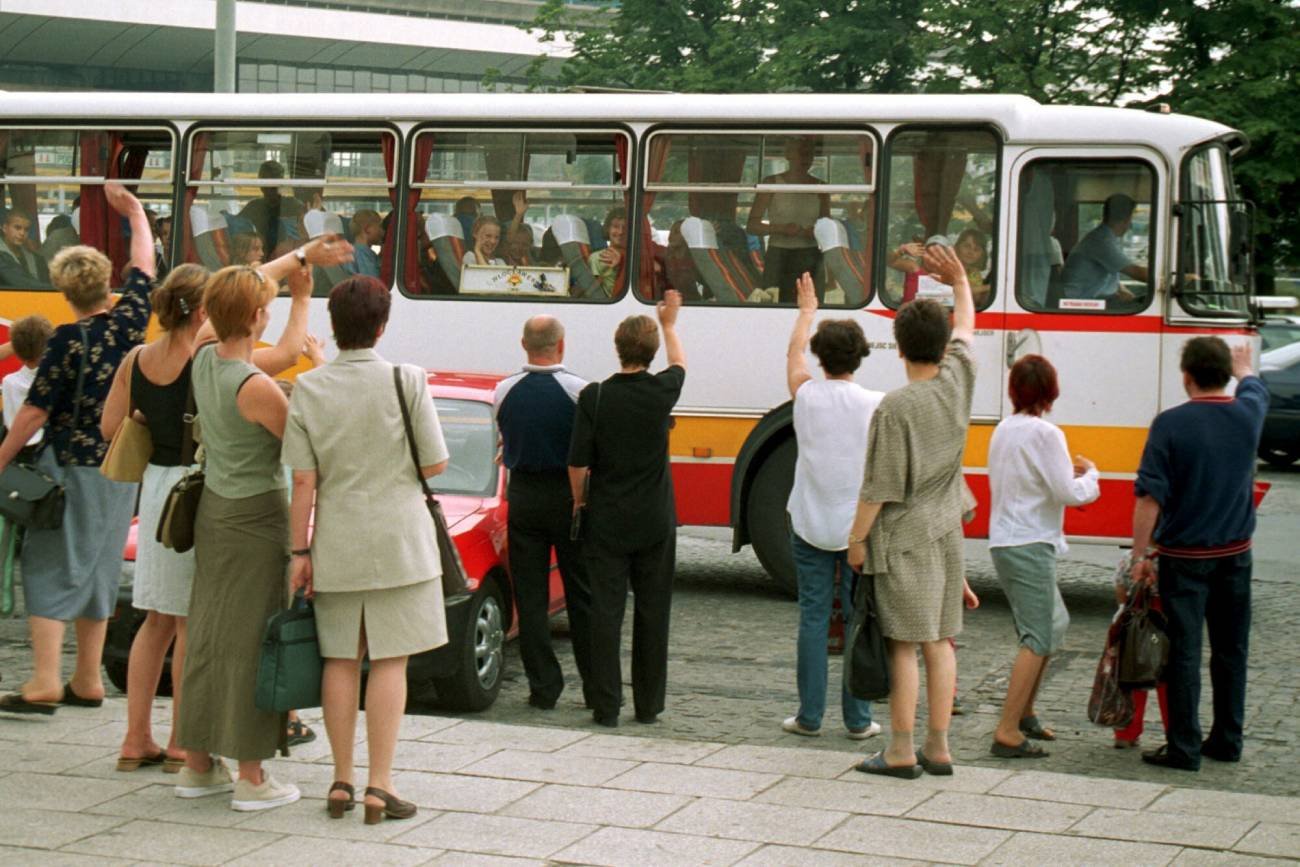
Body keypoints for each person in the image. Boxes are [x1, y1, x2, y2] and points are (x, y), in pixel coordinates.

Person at [284, 276, 448, 823]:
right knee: (390, 662)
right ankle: (380, 785)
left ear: (334, 326)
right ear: (382, 326)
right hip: (399, 540)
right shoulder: (408, 380)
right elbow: (434, 464)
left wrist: (298, 552)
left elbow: (302, 482)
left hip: (337, 540)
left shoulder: (308, 389)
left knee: (339, 658)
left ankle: (340, 780)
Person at [0, 183, 152, 716]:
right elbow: (145, 268)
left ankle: (44, 679)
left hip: (69, 466)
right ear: (107, 284)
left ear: (65, 290)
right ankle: (87, 678)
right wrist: (133, 212)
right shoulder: (131, 323)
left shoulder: (66, 341)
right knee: (98, 567)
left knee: (49, 566)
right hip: (120, 471)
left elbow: (34, 413)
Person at [173, 265, 312, 810]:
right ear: (257, 317)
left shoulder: (204, 359)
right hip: (256, 518)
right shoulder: (255, 387)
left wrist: (287, 279)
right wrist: (303, 297)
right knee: (256, 640)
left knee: (209, 633)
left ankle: (198, 762)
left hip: (214, 513)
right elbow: (303, 449)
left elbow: (230, 320)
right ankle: (252, 776)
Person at [846, 242, 976, 779]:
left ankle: (900, 749)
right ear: (943, 346)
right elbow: (967, 326)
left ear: (897, 346)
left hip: (903, 539)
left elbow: (878, 488)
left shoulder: (894, 407)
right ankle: (939, 746)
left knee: (902, 644)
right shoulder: (958, 381)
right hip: (947, 530)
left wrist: (856, 541)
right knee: (940, 642)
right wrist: (961, 281)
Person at [1130, 337, 1267, 771]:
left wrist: (1139, 556)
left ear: (1185, 376)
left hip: (1183, 557)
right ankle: (1227, 739)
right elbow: (1253, 386)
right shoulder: (1248, 415)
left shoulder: (1170, 424)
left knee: (1184, 652)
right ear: (1225, 374)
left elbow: (1150, 498)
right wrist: (1244, 368)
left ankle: (1184, 747)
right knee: (1231, 650)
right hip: (1236, 554)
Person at [569, 290, 686, 727]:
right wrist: (670, 324)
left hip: (607, 520)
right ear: (651, 352)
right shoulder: (661, 391)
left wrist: (581, 499)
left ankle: (605, 704)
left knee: (605, 612)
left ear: (618, 349)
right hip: (655, 518)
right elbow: (680, 366)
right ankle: (648, 705)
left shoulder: (594, 397)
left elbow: (577, 463)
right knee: (653, 613)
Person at [781, 272, 882, 741]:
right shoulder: (877, 405)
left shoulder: (805, 395)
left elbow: (792, 355)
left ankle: (809, 716)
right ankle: (858, 719)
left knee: (813, 618)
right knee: (859, 618)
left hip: (809, 525)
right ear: (859, 357)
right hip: (857, 533)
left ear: (821, 358)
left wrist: (807, 312)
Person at [987, 355, 1099, 759]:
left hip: (1008, 540)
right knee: (1038, 636)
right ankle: (1006, 730)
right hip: (1029, 542)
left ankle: (1026, 713)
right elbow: (1068, 493)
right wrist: (1091, 476)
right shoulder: (1046, 434)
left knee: (1053, 623)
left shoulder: (1003, 429)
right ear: (1051, 393)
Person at [494, 316, 594, 711]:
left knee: (531, 597)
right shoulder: (579, 390)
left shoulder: (504, 390)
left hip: (523, 495)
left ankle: (543, 687)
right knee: (581, 594)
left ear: (524, 344)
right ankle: (593, 684)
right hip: (567, 496)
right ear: (562, 345)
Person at [745, 137, 830, 302]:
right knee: (773, 303)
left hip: (810, 256)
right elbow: (752, 226)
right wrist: (781, 229)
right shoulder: (771, 183)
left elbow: (827, 228)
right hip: (778, 256)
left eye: (810, 154)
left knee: (811, 303)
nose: (806, 158)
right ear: (788, 155)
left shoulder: (822, 187)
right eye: (801, 153)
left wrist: (813, 232)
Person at [1112, 554, 1169, 750]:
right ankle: (1174, 731)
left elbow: (1120, 588)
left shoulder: (1129, 558)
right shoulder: (1172, 556)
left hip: (1135, 623)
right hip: (1164, 622)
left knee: (1131, 676)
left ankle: (1126, 732)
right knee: (1168, 680)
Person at [1059, 193, 1146, 303]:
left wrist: (1123, 291)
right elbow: (1136, 272)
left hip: (1090, 300)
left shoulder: (1105, 237)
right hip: (1079, 304)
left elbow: (1111, 271)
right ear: (1127, 219)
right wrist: (1163, 279)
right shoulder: (1101, 241)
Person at [2, 315, 53, 451]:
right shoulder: (57, 378)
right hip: (49, 448)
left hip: (18, 449)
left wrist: (21, 344)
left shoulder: (9, 382)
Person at [236, 160, 305, 256]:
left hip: (290, 257)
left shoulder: (294, 205)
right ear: (261, 185)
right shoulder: (253, 207)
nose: (270, 188)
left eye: (273, 184)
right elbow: (237, 234)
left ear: (281, 183)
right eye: (266, 183)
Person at [0, 209, 49, 289]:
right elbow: (19, 281)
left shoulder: (35, 258)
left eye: (26, 229)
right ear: (5, 228)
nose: (22, 233)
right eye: (17, 228)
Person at [588, 209, 626, 298]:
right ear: (608, 229)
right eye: (616, 226)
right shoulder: (597, 258)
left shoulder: (638, 257)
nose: (620, 232)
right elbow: (592, 292)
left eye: (625, 228)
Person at [955, 228, 992, 306]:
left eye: (976, 249)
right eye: (966, 246)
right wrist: (992, 287)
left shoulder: (974, 272)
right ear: (957, 247)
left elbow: (977, 298)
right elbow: (965, 290)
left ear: (982, 254)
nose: (971, 252)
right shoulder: (952, 269)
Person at [348, 209, 382, 278]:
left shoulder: (355, 251)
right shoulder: (362, 254)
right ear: (367, 229)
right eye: (379, 227)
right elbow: (372, 282)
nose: (382, 232)